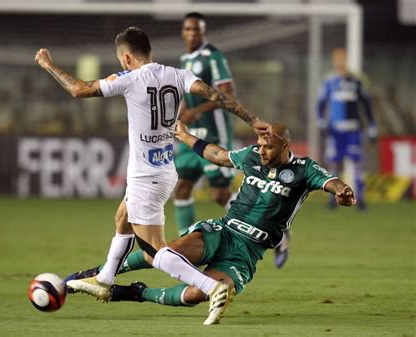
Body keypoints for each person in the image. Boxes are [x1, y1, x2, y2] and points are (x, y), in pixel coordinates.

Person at [34, 26, 270, 325]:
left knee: (153, 248)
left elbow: (78, 89)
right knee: (123, 217)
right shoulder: (179, 75)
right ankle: (105, 278)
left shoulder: (129, 78)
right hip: (164, 170)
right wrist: (253, 119)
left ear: (127, 57)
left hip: (146, 176)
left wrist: (48, 64)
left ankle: (213, 287)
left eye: (121, 59)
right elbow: (217, 95)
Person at [65, 121, 356, 322]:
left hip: (248, 252)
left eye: (268, 147)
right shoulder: (252, 156)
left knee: (196, 294)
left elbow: (331, 182)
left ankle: (133, 293)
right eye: (260, 145)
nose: (262, 151)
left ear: (284, 145)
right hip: (224, 231)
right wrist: (185, 135)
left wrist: (343, 191)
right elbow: (217, 155)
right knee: (169, 253)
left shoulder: (304, 169)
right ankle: (100, 271)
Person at [175, 12, 289, 268]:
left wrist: (195, 112)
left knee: (218, 193)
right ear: (183, 32)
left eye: (197, 30)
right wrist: (182, 112)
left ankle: (274, 230)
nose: (192, 34)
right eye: (188, 29)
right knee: (181, 188)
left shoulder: (212, 56)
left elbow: (227, 93)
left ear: (203, 32)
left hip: (215, 135)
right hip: (192, 135)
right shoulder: (184, 59)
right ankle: (184, 252)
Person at [317, 47, 377, 210]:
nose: (340, 61)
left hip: (353, 130)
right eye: (337, 58)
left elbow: (366, 104)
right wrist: (320, 120)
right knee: (334, 164)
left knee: (357, 164)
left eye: (343, 57)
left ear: (347, 59)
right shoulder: (329, 81)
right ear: (333, 60)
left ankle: (361, 200)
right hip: (335, 131)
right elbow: (320, 103)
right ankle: (333, 200)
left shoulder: (357, 81)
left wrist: (371, 125)